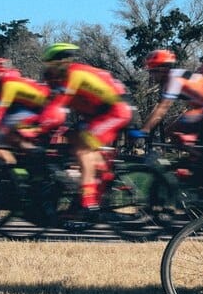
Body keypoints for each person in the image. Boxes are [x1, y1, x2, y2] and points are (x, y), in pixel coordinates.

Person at [35, 43, 133, 214]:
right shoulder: (61, 76)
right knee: (71, 136)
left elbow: (59, 104)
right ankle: (103, 173)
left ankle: (88, 200)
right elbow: (50, 101)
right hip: (98, 113)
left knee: (82, 151)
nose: (49, 68)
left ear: (62, 61)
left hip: (115, 111)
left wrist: (38, 126)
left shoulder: (74, 74)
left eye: (51, 63)